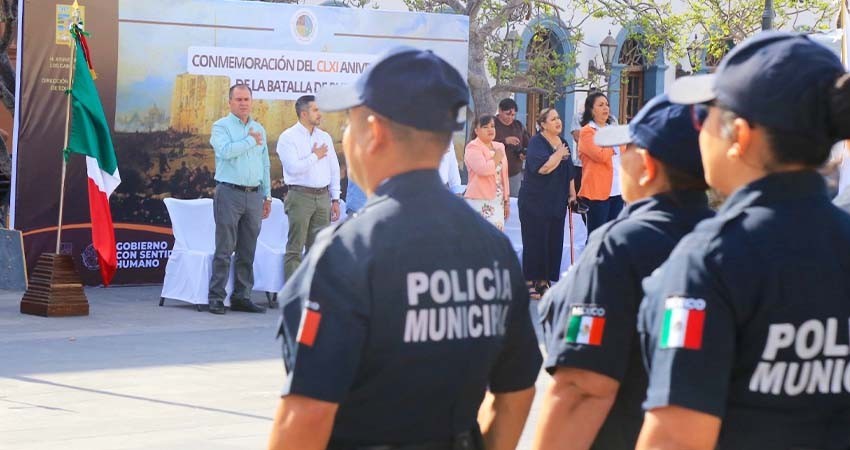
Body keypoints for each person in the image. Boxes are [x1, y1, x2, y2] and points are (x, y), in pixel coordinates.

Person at [268, 48, 542, 450]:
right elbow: (517, 391)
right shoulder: (494, 248)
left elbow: (307, 413)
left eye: (349, 123)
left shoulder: (347, 251)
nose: (346, 136)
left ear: (374, 133)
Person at [637, 32, 850, 450]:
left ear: (740, 135)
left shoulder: (709, 259)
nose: (699, 130)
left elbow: (676, 439)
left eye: (704, 115)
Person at [533, 95, 714, 450]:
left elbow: (580, 387)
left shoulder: (615, 247)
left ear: (646, 164)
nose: (620, 161)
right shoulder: (724, 236)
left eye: (624, 151)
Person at [207, 84, 271, 315]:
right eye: (239, 99)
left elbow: (265, 164)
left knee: (248, 249)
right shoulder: (220, 126)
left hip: (254, 195)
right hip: (229, 193)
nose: (243, 103)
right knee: (224, 248)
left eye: (247, 99)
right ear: (230, 102)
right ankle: (216, 297)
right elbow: (225, 151)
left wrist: (267, 195)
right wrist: (250, 141)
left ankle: (242, 296)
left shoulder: (258, 128)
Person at [276, 95, 341, 281]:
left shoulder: (325, 137)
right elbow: (293, 169)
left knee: (319, 249)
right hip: (300, 196)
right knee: (295, 249)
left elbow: (334, 169)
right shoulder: (288, 138)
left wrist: (335, 199)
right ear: (304, 113)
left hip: (323, 198)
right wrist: (315, 156)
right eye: (315, 110)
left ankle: (315, 295)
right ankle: (293, 297)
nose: (319, 114)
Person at [518, 107, 576, 299]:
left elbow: (570, 173)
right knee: (536, 241)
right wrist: (559, 154)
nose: (558, 121)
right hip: (535, 202)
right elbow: (543, 168)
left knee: (553, 242)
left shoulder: (564, 142)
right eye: (553, 119)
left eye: (558, 118)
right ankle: (531, 281)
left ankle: (546, 281)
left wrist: (572, 194)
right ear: (543, 124)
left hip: (556, 202)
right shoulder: (537, 142)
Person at [578, 92, 623, 235]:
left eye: (607, 105)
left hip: (617, 190)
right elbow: (600, 156)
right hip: (597, 192)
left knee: (612, 236)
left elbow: (625, 150)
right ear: (591, 110)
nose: (606, 108)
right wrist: (613, 145)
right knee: (596, 237)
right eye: (601, 105)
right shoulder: (587, 132)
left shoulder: (613, 129)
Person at [464, 114, 511, 230]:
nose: (490, 129)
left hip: (498, 200)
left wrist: (506, 201)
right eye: (485, 127)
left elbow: (504, 176)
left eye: (493, 126)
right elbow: (483, 170)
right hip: (480, 199)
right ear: (476, 130)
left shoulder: (499, 146)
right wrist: (496, 158)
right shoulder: (472, 147)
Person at [494, 98, 530, 197]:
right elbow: (485, 144)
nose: (510, 118)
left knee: (513, 202)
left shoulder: (518, 125)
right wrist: (505, 141)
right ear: (500, 110)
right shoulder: (491, 124)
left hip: (514, 172)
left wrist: (524, 153)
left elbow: (528, 144)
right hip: (494, 173)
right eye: (507, 114)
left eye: (513, 115)